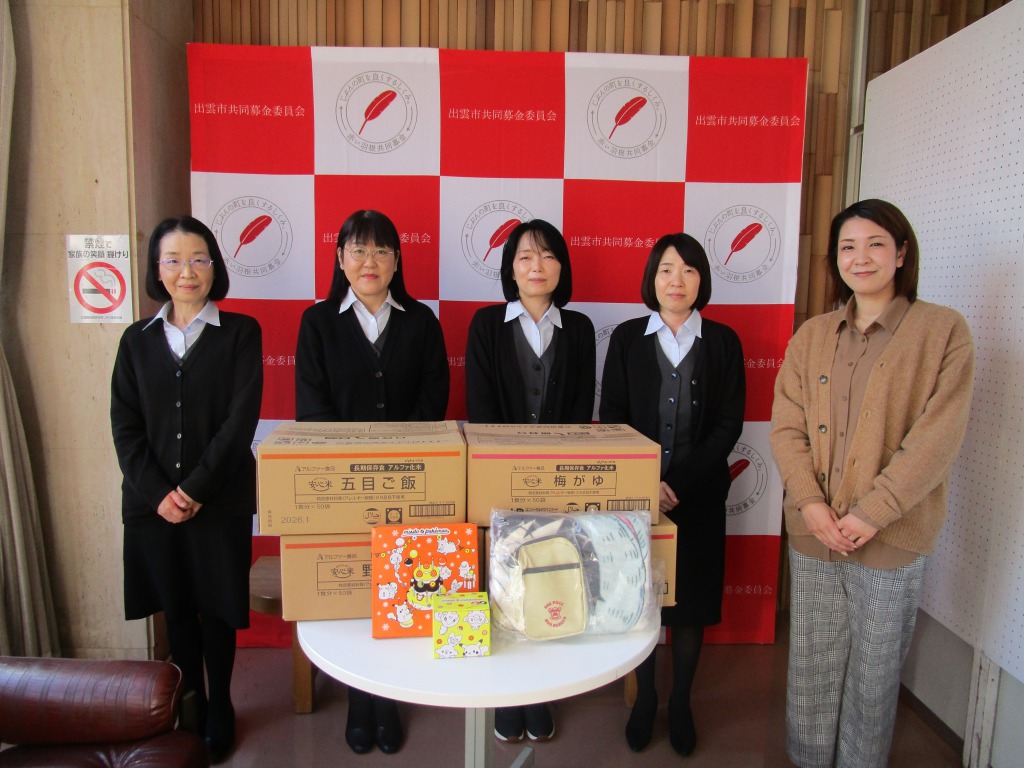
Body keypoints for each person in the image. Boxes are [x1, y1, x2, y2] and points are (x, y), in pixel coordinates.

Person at [770, 199, 974, 768]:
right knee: (811, 665)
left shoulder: (942, 331)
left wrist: (872, 512)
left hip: (890, 535)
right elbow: (787, 425)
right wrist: (810, 503)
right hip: (814, 531)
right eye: (848, 247)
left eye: (875, 244)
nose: (860, 258)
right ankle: (809, 759)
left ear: (901, 252)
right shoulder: (813, 334)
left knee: (874, 674)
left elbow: (936, 440)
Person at [295, 209, 449, 754]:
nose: (369, 261)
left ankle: (390, 696)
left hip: (410, 485)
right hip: (342, 487)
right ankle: (359, 698)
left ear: (397, 261)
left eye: (381, 250)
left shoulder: (421, 321)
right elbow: (312, 409)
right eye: (358, 250)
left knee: (402, 587)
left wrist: (398, 467)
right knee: (355, 590)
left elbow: (434, 399)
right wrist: (355, 470)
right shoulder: (318, 322)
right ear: (340, 259)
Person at [110, 216, 263, 765]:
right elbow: (125, 426)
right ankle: (190, 699)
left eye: (198, 259)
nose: (186, 271)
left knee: (218, 607)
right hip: (153, 506)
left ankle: (221, 703)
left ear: (215, 266)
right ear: (157, 270)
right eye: (173, 260)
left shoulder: (240, 332)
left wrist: (195, 490)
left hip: (218, 500)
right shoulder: (135, 340)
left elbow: (239, 422)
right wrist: (160, 495)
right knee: (175, 607)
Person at [599, 232, 745, 757]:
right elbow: (613, 416)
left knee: (690, 604)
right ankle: (645, 699)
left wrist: (678, 484)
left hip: (698, 497)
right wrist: (644, 482)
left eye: (688, 270)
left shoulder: (723, 342)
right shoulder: (627, 338)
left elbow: (728, 424)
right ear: (652, 278)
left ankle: (681, 701)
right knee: (639, 599)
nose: (676, 280)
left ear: (702, 279)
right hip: (636, 498)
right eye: (665, 269)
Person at [465, 218, 595, 742]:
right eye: (524, 256)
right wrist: (509, 476)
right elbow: (480, 407)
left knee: (549, 579)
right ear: (510, 268)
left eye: (547, 256)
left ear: (561, 267)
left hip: (558, 484)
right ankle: (506, 695)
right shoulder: (486, 325)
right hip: (499, 481)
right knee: (501, 582)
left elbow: (580, 409)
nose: (536, 266)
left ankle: (540, 692)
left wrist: (552, 479)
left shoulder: (579, 328)